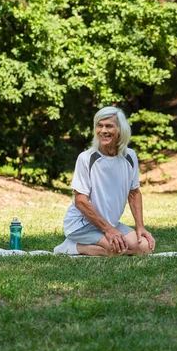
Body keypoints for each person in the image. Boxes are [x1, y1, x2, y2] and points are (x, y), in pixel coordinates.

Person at [54, 107, 155, 256]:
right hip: (81, 225)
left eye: (109, 126)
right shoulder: (86, 158)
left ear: (121, 130)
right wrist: (109, 230)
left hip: (110, 224)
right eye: (99, 126)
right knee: (115, 249)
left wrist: (140, 226)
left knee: (144, 247)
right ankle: (71, 246)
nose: (103, 130)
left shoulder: (130, 156)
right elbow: (80, 201)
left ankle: (106, 240)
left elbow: (134, 193)